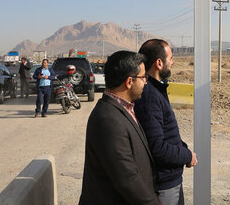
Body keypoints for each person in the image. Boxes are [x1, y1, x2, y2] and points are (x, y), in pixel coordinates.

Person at [79, 51, 160, 205]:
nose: (146, 82)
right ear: (129, 81)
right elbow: (127, 179)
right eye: (143, 78)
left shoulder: (122, 110)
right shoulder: (108, 120)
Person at [135, 39, 197, 205]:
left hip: (169, 179)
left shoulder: (155, 89)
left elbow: (167, 134)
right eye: (170, 57)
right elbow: (157, 147)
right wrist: (187, 155)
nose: (173, 61)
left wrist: (183, 149)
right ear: (159, 63)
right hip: (164, 183)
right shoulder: (149, 95)